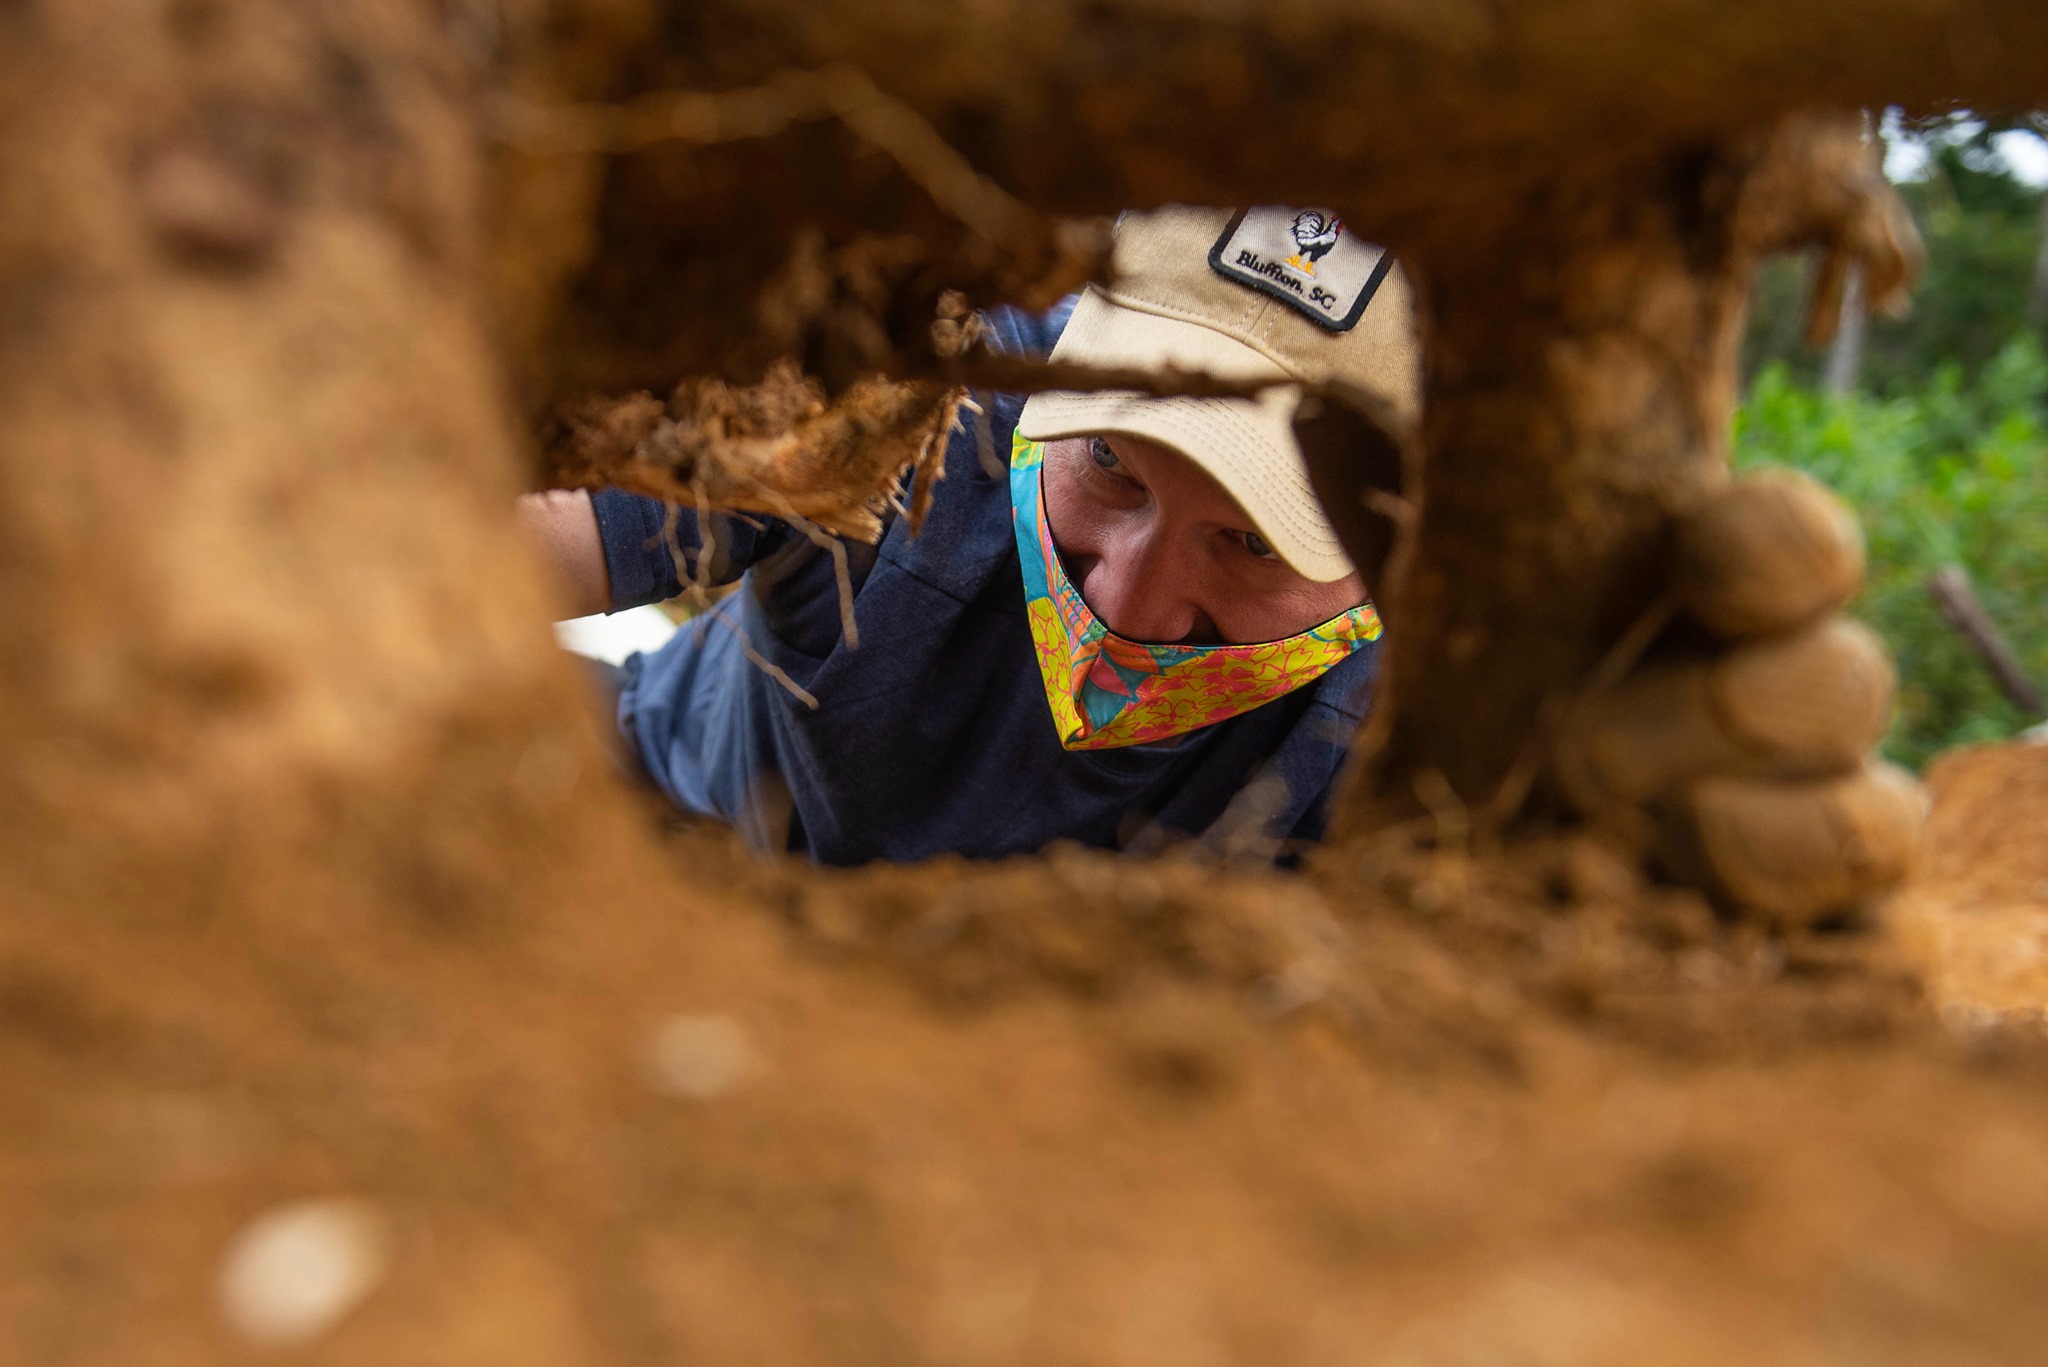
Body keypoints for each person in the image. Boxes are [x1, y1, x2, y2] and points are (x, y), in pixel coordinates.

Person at [517, 205, 1418, 864]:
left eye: (1254, 543)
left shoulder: (1439, 712)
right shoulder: (919, 384)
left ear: (1402, 557)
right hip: (669, 826)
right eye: (1109, 460)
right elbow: (508, 537)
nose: (1124, 602)